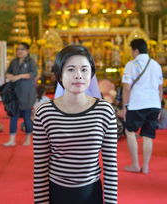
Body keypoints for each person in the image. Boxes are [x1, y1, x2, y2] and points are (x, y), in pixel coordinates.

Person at [33, 45, 118, 204]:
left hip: (91, 194)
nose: (78, 75)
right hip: (57, 193)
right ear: (59, 74)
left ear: (91, 74)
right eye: (71, 69)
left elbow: (110, 166)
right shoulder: (44, 113)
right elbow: (40, 167)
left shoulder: (104, 111)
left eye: (84, 70)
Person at [122, 38, 163, 174]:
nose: (131, 53)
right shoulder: (156, 65)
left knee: (130, 131)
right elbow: (160, 88)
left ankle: (135, 164)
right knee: (148, 135)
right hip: (154, 103)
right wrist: (159, 106)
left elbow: (127, 87)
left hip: (137, 103)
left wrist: (125, 106)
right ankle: (145, 167)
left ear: (136, 50)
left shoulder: (131, 65)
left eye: (132, 51)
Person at [3, 42, 37, 147]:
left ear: (27, 51)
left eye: (22, 49)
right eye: (18, 49)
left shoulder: (31, 61)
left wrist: (19, 76)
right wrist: (10, 76)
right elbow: (7, 72)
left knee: (27, 117)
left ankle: (28, 139)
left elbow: (33, 74)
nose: (19, 51)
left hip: (26, 93)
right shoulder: (14, 61)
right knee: (13, 116)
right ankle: (11, 139)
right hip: (14, 93)